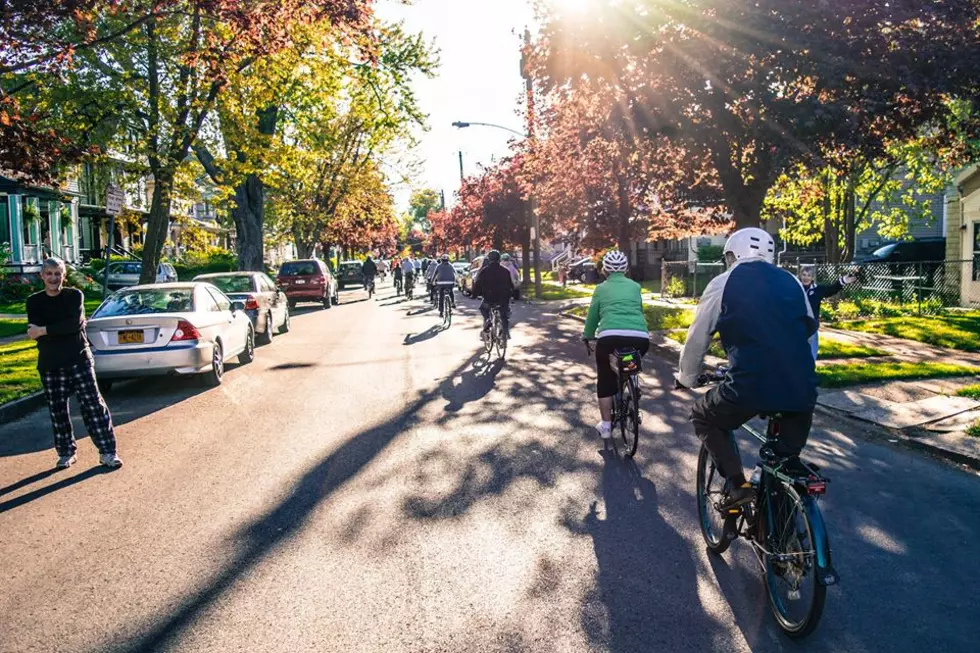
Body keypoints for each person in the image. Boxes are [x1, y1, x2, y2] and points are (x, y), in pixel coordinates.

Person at [676, 228, 817, 510]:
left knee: (704, 416)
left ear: (731, 255)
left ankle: (737, 486)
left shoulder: (724, 282)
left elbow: (698, 336)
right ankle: (783, 534)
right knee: (783, 460)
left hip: (749, 385)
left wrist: (687, 377)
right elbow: (810, 334)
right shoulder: (791, 281)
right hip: (802, 388)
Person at [26, 258, 122, 470]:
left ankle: (108, 452)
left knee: (93, 406)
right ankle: (66, 453)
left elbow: (74, 324)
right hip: (50, 363)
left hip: (79, 359)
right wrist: (49, 331)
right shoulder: (34, 301)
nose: (53, 278)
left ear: (64, 275)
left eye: (57, 274)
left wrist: (45, 330)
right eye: (49, 274)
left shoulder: (74, 296)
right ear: (42, 276)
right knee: (57, 409)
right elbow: (34, 332)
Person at [581, 250, 650, 440]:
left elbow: (593, 317)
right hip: (640, 338)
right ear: (626, 269)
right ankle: (631, 384)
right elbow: (639, 311)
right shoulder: (635, 287)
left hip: (609, 338)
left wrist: (587, 336)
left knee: (605, 376)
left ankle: (605, 426)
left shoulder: (601, 289)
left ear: (605, 270)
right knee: (629, 362)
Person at [799, 264, 857, 359]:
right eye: (804, 275)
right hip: (798, 323)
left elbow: (831, 290)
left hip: (812, 324)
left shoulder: (818, 289)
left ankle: (810, 369)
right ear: (800, 275)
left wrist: (842, 281)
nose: (806, 277)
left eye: (809, 275)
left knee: (812, 351)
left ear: (812, 277)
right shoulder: (796, 288)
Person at [472, 249, 515, 340]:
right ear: (499, 259)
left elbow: (477, 284)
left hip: (489, 297)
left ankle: (487, 320)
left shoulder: (484, 271)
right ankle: (505, 332)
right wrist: (512, 295)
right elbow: (511, 285)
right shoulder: (505, 271)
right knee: (504, 314)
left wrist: (475, 294)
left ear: (489, 259)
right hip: (503, 297)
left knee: (483, 309)